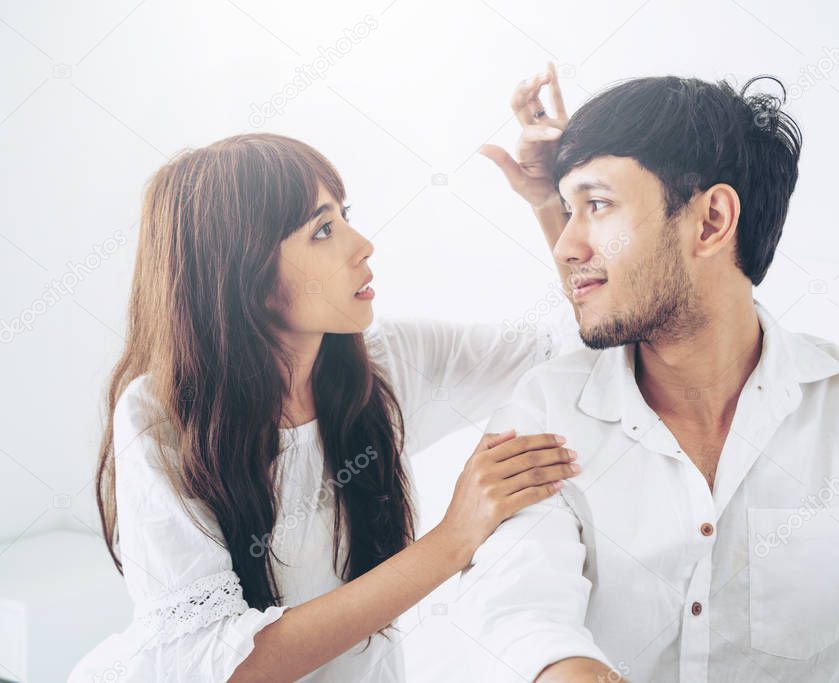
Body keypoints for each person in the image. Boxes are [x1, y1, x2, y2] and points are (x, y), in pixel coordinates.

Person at [458, 71, 839, 682]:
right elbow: (520, 608)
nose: (566, 244)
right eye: (566, 210)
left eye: (596, 206)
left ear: (710, 221)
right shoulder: (547, 412)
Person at [69, 123, 584, 682]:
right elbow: (219, 667)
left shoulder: (385, 362)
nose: (362, 244)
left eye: (344, 216)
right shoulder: (160, 417)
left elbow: (569, 341)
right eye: (321, 231)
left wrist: (554, 203)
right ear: (245, 276)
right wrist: (454, 538)